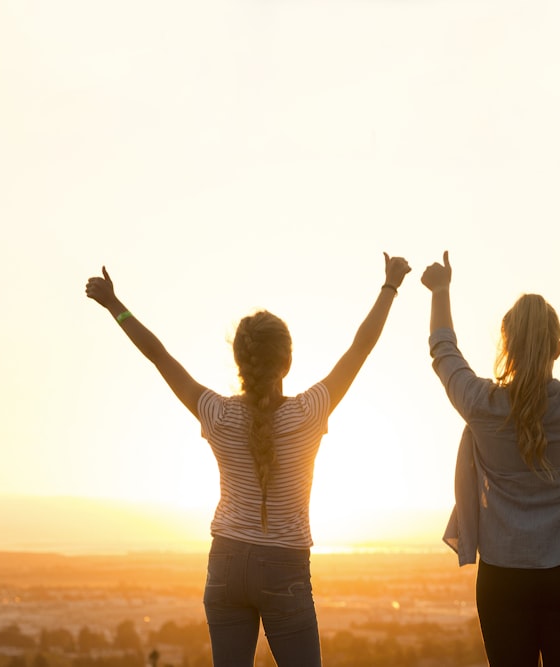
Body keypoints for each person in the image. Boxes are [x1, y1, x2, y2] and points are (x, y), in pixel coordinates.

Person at [85, 253, 411, 667]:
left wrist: (115, 304)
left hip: (226, 564)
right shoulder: (309, 413)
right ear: (287, 362)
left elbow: (160, 356)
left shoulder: (217, 414)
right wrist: (390, 286)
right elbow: (360, 348)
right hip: (285, 568)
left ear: (239, 361)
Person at [420, 249, 560, 667]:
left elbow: (444, 353)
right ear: (558, 348)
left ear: (505, 345)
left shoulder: (482, 406)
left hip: (503, 582)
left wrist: (439, 290)